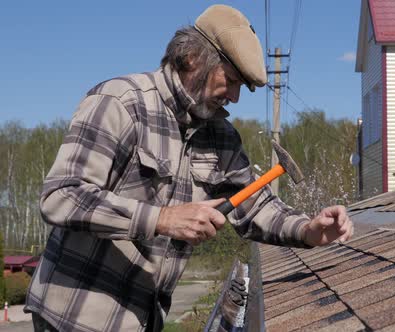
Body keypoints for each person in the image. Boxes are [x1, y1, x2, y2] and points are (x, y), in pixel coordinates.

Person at [25, 4, 353, 332]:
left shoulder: (220, 136)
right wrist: (162, 219)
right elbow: (62, 196)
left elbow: (255, 206)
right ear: (194, 58)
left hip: (145, 319)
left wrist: (308, 231)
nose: (236, 98)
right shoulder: (122, 103)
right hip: (74, 317)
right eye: (232, 80)